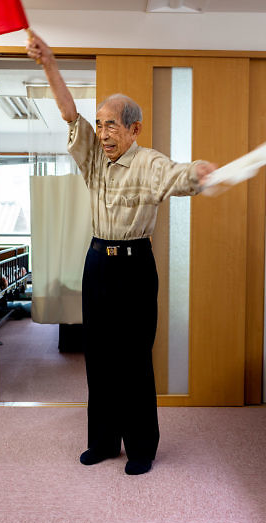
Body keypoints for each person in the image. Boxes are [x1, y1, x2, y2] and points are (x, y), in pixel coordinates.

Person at [26, 32, 216, 475]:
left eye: (113, 124)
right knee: (99, 356)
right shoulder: (94, 158)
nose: (104, 132)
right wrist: (50, 64)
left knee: (133, 359)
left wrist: (200, 172)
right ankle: (104, 442)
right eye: (102, 124)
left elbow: (177, 176)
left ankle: (142, 449)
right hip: (97, 264)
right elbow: (69, 115)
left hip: (134, 268)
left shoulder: (148, 162)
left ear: (134, 129)